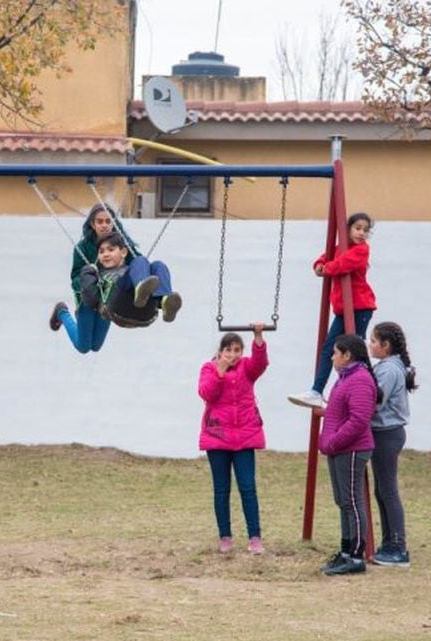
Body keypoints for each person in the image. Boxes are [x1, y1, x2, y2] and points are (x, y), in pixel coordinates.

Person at [48, 203, 181, 351]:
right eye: (99, 222)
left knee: (96, 346)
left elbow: (140, 264)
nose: (104, 225)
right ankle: (62, 312)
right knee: (84, 346)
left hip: (112, 296)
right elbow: (75, 279)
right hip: (88, 298)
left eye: (108, 221)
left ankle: (163, 300)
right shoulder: (83, 248)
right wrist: (91, 281)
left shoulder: (123, 245)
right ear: (92, 224)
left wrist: (141, 277)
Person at [289, 212, 377, 409]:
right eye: (357, 228)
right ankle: (317, 391)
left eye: (365, 230)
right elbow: (325, 258)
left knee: (354, 351)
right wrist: (319, 265)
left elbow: (343, 265)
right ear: (347, 230)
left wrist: (327, 268)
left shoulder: (362, 250)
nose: (361, 233)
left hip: (359, 307)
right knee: (332, 348)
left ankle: (365, 390)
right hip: (343, 309)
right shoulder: (340, 248)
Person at [198, 323, 269, 555]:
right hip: (217, 437)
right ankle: (225, 536)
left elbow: (260, 363)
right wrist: (220, 370)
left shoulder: (247, 368)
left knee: (248, 488)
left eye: (237, 350)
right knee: (221, 489)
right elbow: (207, 393)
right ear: (220, 352)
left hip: (244, 438)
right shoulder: (209, 369)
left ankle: (255, 537)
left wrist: (258, 336)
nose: (233, 355)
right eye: (228, 350)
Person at [318, 333, 380, 576]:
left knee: (353, 502)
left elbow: (358, 420)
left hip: (352, 449)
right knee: (342, 501)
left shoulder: (360, 380)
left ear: (347, 355)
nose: (332, 356)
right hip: (337, 449)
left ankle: (356, 555)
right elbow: (339, 412)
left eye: (335, 352)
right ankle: (345, 551)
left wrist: (333, 441)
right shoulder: (345, 378)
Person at [369, 321, 417, 567]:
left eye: (374, 341)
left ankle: (398, 547)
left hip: (386, 434)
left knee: (388, 490)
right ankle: (388, 543)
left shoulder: (388, 370)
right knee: (381, 490)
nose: (370, 345)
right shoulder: (388, 366)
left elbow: (376, 401)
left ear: (385, 346)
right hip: (384, 433)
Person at [78, 232, 182, 328]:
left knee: (158, 265)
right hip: (118, 306)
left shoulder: (133, 270)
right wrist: (88, 272)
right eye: (101, 252)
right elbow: (90, 299)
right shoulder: (100, 275)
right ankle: (140, 290)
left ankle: (165, 303)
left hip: (145, 311)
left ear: (123, 252)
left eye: (111, 250)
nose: (105, 254)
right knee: (140, 260)